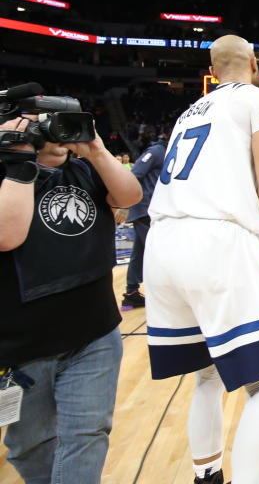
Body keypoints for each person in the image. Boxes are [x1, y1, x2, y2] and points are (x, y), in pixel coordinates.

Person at [144, 35, 259, 484]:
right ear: (254, 62)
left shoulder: (188, 112)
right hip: (217, 241)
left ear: (212, 68)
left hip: (162, 243)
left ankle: (205, 476)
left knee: (207, 374)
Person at [0, 109, 141, 484]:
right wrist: (18, 161)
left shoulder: (83, 170)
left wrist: (94, 147)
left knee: (87, 436)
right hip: (23, 349)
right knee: (29, 446)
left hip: (94, 334)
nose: (53, 133)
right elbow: (6, 236)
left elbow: (131, 194)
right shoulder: (6, 175)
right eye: (39, 124)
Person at [121, 125, 167, 309]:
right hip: (146, 209)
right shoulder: (156, 151)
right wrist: (124, 204)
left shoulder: (170, 151)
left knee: (139, 253)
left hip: (152, 209)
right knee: (158, 252)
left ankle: (131, 292)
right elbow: (134, 175)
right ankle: (163, 295)